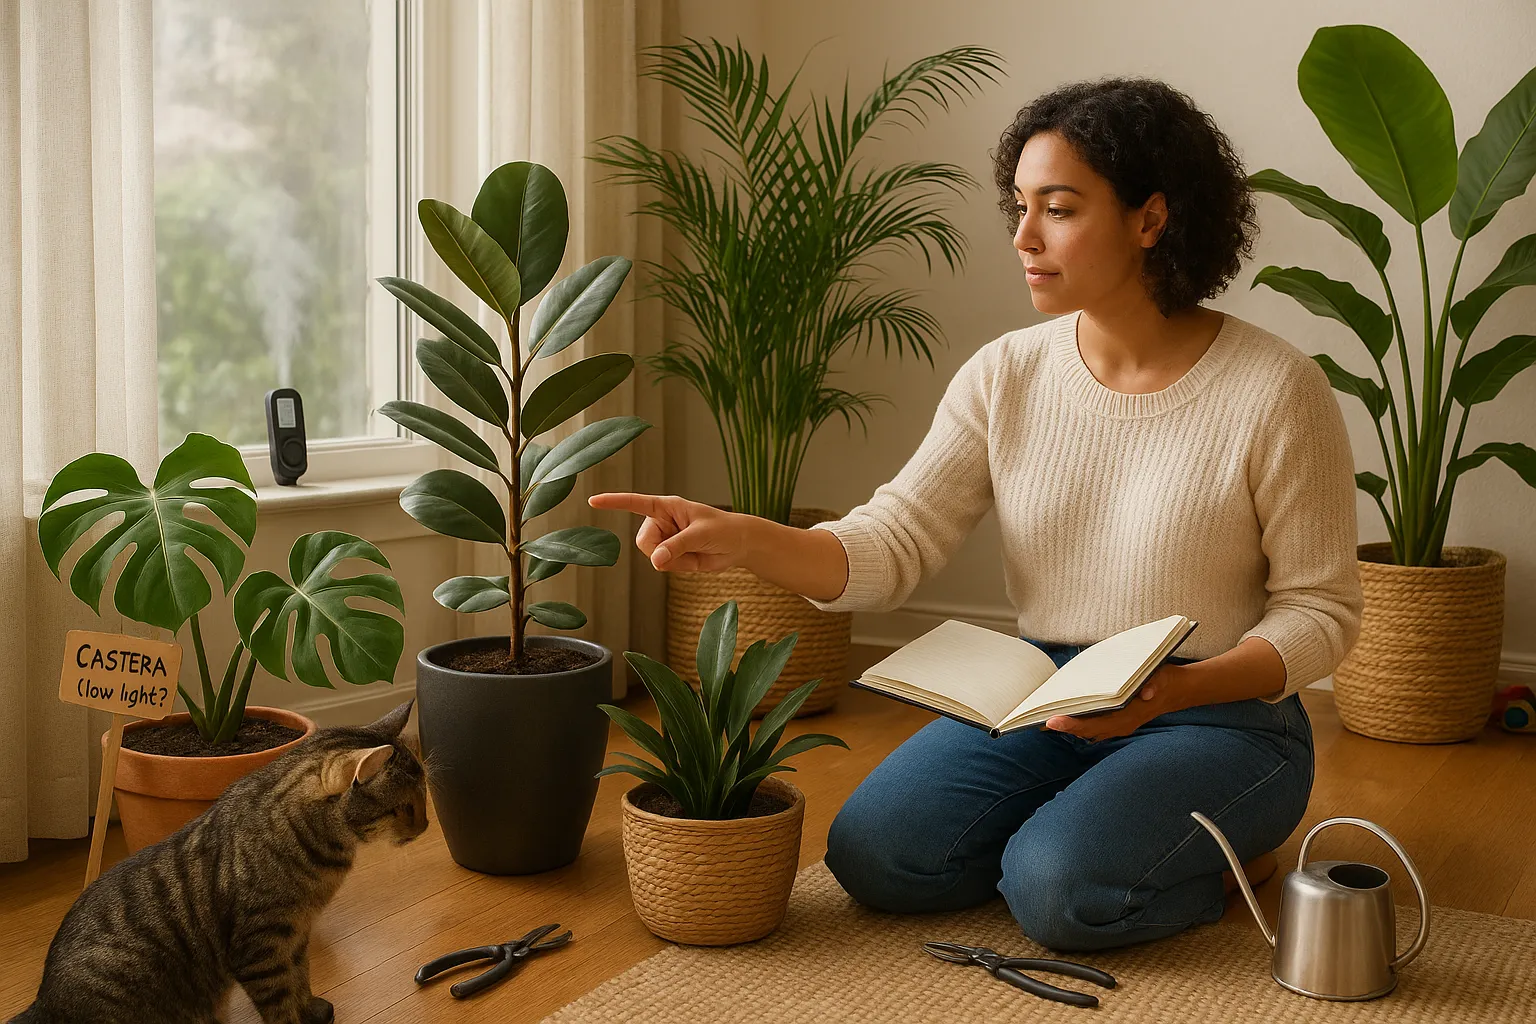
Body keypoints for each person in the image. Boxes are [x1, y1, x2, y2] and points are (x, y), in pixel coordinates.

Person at [588, 76, 1363, 954]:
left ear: (1152, 219)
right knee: (875, 856)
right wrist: (742, 538)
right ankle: (1094, 835)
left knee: (1059, 894)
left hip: (1221, 708)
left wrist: (1172, 692)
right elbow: (894, 541)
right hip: (1048, 695)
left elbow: (1323, 612)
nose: (1024, 238)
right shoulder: (1005, 374)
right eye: (1020, 207)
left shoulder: (1275, 388)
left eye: (1058, 209)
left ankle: (1217, 859)